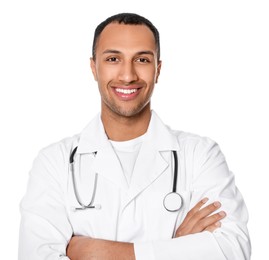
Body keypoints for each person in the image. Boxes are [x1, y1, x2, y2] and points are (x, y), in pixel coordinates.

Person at [19, 13, 251, 259]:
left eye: (141, 59)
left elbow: (232, 250)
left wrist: (98, 252)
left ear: (158, 69)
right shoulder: (54, 162)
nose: (128, 75)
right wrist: (176, 248)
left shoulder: (200, 155)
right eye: (113, 58)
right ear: (93, 68)